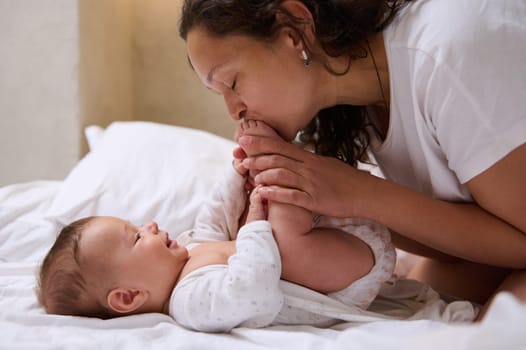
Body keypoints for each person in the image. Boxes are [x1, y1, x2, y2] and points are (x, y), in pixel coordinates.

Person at [178, 0, 526, 317]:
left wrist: (360, 193)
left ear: (295, 31)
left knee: (485, 330)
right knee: (416, 304)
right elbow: (459, 246)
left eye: (233, 83)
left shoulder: (447, 50)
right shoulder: (357, 106)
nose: (233, 111)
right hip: (500, 248)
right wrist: (325, 200)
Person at [37, 120, 397, 332]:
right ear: (129, 297)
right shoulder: (190, 302)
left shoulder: (189, 255)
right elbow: (252, 288)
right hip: (342, 277)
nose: (148, 226)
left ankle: (268, 159)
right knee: (272, 233)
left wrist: (236, 174)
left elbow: (212, 219)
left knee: (244, 217)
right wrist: (256, 222)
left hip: (333, 246)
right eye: (135, 237)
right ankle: (282, 156)